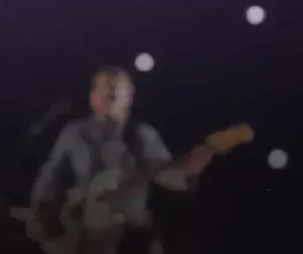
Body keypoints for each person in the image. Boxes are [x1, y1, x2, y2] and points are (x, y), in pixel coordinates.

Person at [27, 67, 214, 254]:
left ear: (130, 96)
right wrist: (39, 212)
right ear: (92, 96)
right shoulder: (74, 132)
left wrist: (189, 172)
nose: (109, 94)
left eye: (116, 91)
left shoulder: (143, 135)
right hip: (83, 235)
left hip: (131, 237)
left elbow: (167, 175)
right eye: (103, 89)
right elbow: (51, 175)